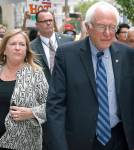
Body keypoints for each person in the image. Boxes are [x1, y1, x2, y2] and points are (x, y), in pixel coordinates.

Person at [46, 2, 134, 150]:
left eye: (112, 27)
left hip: (120, 139)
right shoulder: (66, 55)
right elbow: (55, 106)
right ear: (88, 27)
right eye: (101, 27)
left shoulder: (127, 55)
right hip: (81, 141)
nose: (107, 33)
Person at [0, 29, 48, 150]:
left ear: (26, 50)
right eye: (13, 44)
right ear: (4, 49)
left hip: (22, 143)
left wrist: (31, 113)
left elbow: (51, 106)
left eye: (22, 44)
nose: (17, 48)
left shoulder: (36, 72)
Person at [30, 9, 73, 84]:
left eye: (50, 20)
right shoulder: (31, 47)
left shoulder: (68, 40)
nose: (48, 23)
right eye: (44, 21)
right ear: (37, 25)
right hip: (44, 91)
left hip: (67, 88)